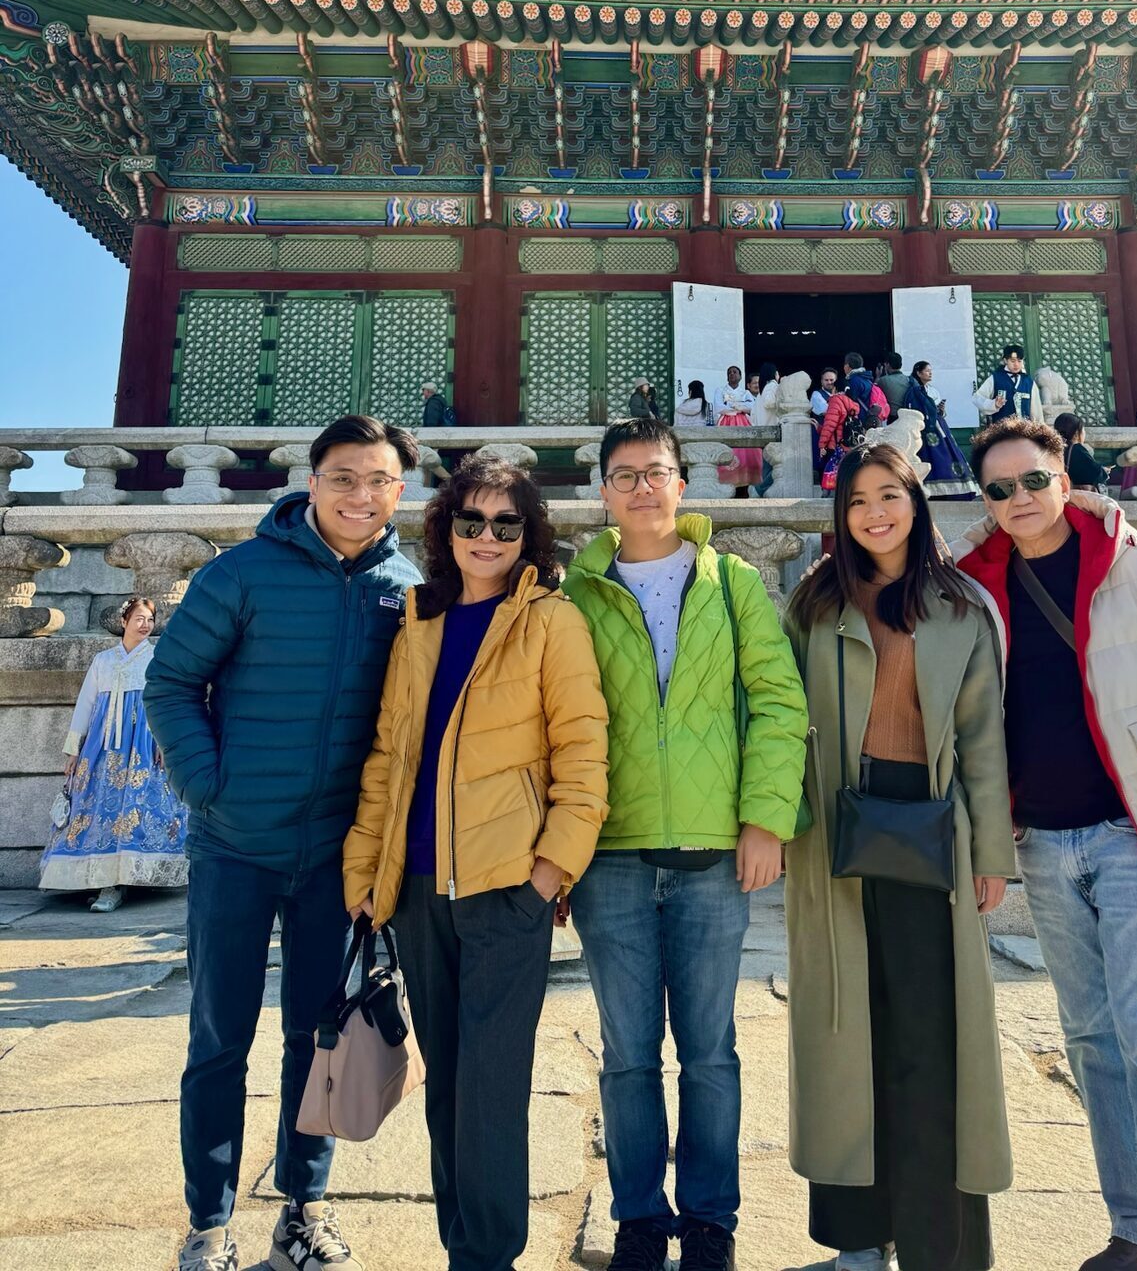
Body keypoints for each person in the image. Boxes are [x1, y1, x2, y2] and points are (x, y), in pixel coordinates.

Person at [955, 417, 1137, 1271]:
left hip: (1132, 834)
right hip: (1042, 842)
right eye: (999, 489)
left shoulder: (1136, 566)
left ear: (1065, 475)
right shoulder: (972, 585)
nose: (1020, 500)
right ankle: (1132, 1228)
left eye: (1034, 481)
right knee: (1091, 1041)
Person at [144, 415, 422, 1271]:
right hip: (234, 846)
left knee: (320, 1039)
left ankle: (305, 1209)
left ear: (399, 491)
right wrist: (207, 786)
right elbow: (171, 682)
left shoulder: (406, 585)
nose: (360, 495)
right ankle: (208, 1222)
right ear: (311, 481)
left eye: (378, 480)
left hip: (335, 857)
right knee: (219, 1038)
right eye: (344, 477)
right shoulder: (241, 573)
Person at [344, 457, 609, 1271]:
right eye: (471, 522)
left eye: (506, 524)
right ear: (445, 531)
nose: (487, 537)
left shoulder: (551, 621)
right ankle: (463, 1245)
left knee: (492, 1088)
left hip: (506, 890)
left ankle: (488, 1255)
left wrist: (548, 874)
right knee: (449, 1086)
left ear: (529, 535)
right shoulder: (420, 621)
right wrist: (367, 879)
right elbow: (390, 753)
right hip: (420, 890)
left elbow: (584, 755)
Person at [563, 417, 810, 1271]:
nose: (641, 488)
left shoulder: (733, 582)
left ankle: (710, 1220)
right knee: (628, 1053)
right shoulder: (575, 593)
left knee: (709, 1050)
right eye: (624, 474)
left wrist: (765, 819)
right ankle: (638, 1218)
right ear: (603, 491)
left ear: (682, 483)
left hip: (713, 851)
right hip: (611, 853)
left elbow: (779, 702)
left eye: (656, 472)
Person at [783, 444, 1015, 1271]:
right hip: (836, 833)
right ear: (839, 514)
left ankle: (936, 1241)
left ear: (917, 503)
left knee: (931, 1031)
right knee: (847, 1028)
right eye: (857, 500)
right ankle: (855, 1234)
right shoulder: (812, 603)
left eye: (890, 495)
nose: (875, 512)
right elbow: (778, 723)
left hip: (931, 829)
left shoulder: (961, 607)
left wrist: (989, 852)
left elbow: (985, 740)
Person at [39, 595, 188, 913]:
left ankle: (120, 882)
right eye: (139, 619)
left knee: (137, 807)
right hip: (102, 746)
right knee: (98, 807)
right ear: (124, 622)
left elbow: (165, 702)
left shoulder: (156, 658)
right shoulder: (103, 661)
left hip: (144, 744)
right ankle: (102, 879)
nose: (145, 625)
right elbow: (86, 705)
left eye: (149, 620)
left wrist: (165, 743)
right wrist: (73, 751)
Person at [902, 360, 979, 499]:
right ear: (918, 373)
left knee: (948, 455)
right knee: (932, 457)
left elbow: (936, 410)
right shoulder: (914, 391)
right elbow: (915, 410)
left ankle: (955, 489)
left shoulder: (932, 390)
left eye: (931, 371)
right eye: (927, 371)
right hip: (926, 429)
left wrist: (940, 410)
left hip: (939, 426)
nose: (930, 373)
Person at [716, 365, 761, 495]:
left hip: (743, 422)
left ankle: (745, 484)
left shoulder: (745, 392)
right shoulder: (720, 390)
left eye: (735, 372)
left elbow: (751, 406)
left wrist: (736, 406)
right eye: (729, 372)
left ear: (740, 376)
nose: (732, 374)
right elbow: (719, 406)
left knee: (747, 452)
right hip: (725, 422)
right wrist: (737, 407)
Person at [974, 345, 1042, 423]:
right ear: (1005, 360)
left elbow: (1037, 412)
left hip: (1024, 432)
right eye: (1013, 361)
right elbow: (977, 398)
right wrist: (994, 404)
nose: (1016, 364)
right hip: (1002, 431)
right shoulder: (995, 379)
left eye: (1019, 361)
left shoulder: (1029, 382)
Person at [1054, 412, 1111, 493]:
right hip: (1079, 496)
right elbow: (1094, 473)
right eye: (1083, 429)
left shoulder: (1055, 449)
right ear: (1077, 433)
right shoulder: (1076, 449)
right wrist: (1103, 471)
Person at [751, 361, 780, 496]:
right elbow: (770, 403)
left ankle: (762, 492)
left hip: (762, 432)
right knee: (780, 466)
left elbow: (753, 415)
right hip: (773, 431)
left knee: (767, 466)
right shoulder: (772, 386)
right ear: (774, 374)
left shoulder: (760, 392)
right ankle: (759, 489)